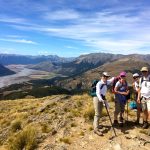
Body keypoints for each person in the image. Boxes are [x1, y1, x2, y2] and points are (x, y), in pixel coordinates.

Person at [93, 72, 114, 136]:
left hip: (102, 98)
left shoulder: (106, 82)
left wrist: (117, 77)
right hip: (97, 98)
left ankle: (97, 125)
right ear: (102, 76)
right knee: (97, 114)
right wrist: (101, 100)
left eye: (107, 77)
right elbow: (98, 93)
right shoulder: (99, 83)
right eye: (104, 76)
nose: (106, 78)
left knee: (99, 112)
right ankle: (96, 129)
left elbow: (111, 80)